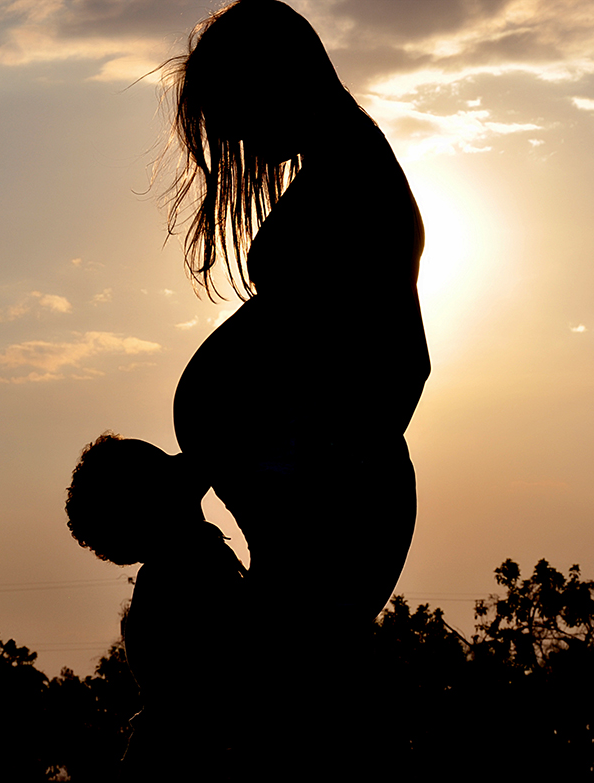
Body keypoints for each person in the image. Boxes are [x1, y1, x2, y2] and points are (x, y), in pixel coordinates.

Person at [166, 0, 430, 635]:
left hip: (327, 506)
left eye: (231, 111)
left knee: (278, 674)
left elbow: (403, 358)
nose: (231, 138)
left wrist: (324, 464)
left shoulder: (354, 180)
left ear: (271, 81)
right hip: (313, 496)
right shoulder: (340, 169)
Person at [64, 432, 247, 783]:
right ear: (147, 505)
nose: (181, 460)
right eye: (162, 465)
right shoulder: (182, 575)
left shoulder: (180, 567)